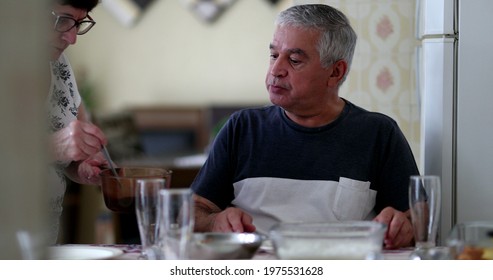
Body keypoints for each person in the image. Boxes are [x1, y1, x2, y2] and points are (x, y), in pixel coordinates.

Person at [190, 4, 419, 249]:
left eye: (295, 60)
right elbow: (191, 211)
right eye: (274, 55)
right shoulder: (242, 128)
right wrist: (214, 222)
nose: (276, 70)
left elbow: (420, 220)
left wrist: (403, 226)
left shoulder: (378, 133)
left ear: (335, 72)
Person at [47, 0, 109, 244]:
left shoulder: (60, 65)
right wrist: (54, 146)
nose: (72, 38)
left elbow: (61, 159)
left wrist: (80, 166)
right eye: (62, 19)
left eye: (78, 22)